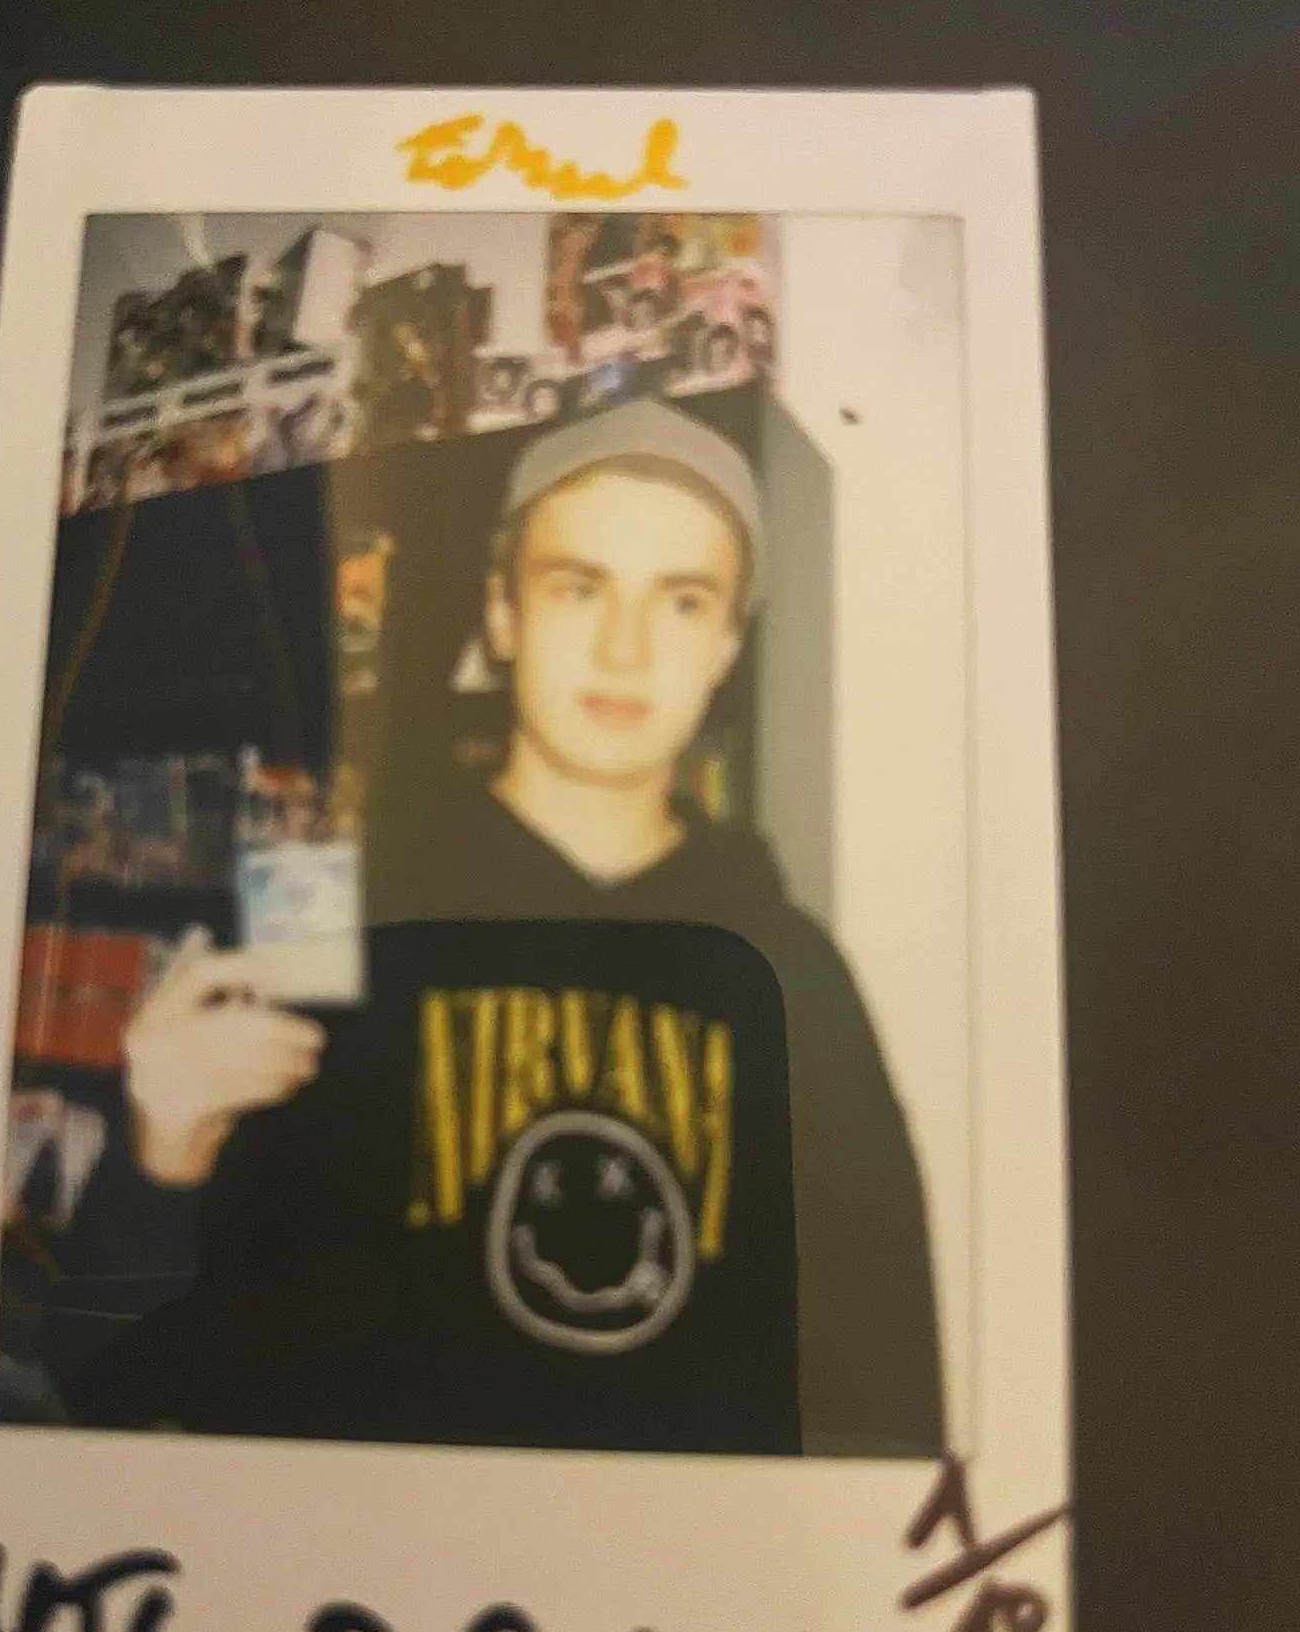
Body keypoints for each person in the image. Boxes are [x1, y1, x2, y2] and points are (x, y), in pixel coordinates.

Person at [56, 399, 944, 1457]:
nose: (624, 649)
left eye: (682, 600)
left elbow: (888, 1393)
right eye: (578, 586)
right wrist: (158, 1161)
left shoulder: (792, 971)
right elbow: (113, 1385)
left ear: (726, 645)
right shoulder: (324, 918)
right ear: (504, 613)